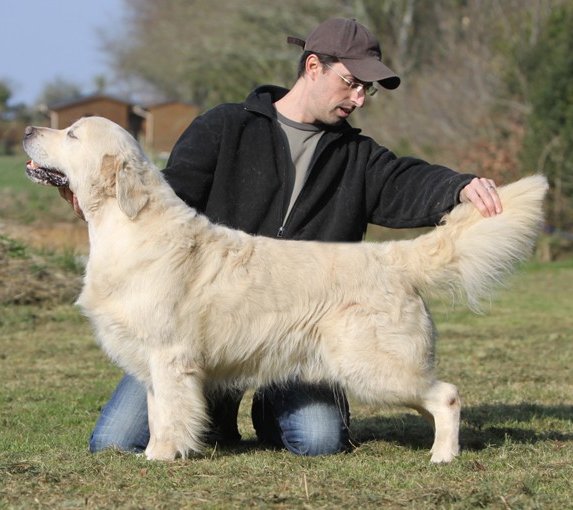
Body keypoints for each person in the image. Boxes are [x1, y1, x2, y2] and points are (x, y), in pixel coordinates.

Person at [61, 17, 502, 457]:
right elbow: (167, 200)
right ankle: (215, 415)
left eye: (367, 90)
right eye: (351, 83)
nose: (359, 99)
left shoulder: (357, 156)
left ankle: (270, 406)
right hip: (204, 329)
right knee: (114, 442)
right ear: (313, 67)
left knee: (319, 441)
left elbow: (407, 181)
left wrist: (458, 187)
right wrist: (98, 196)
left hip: (297, 333)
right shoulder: (225, 126)